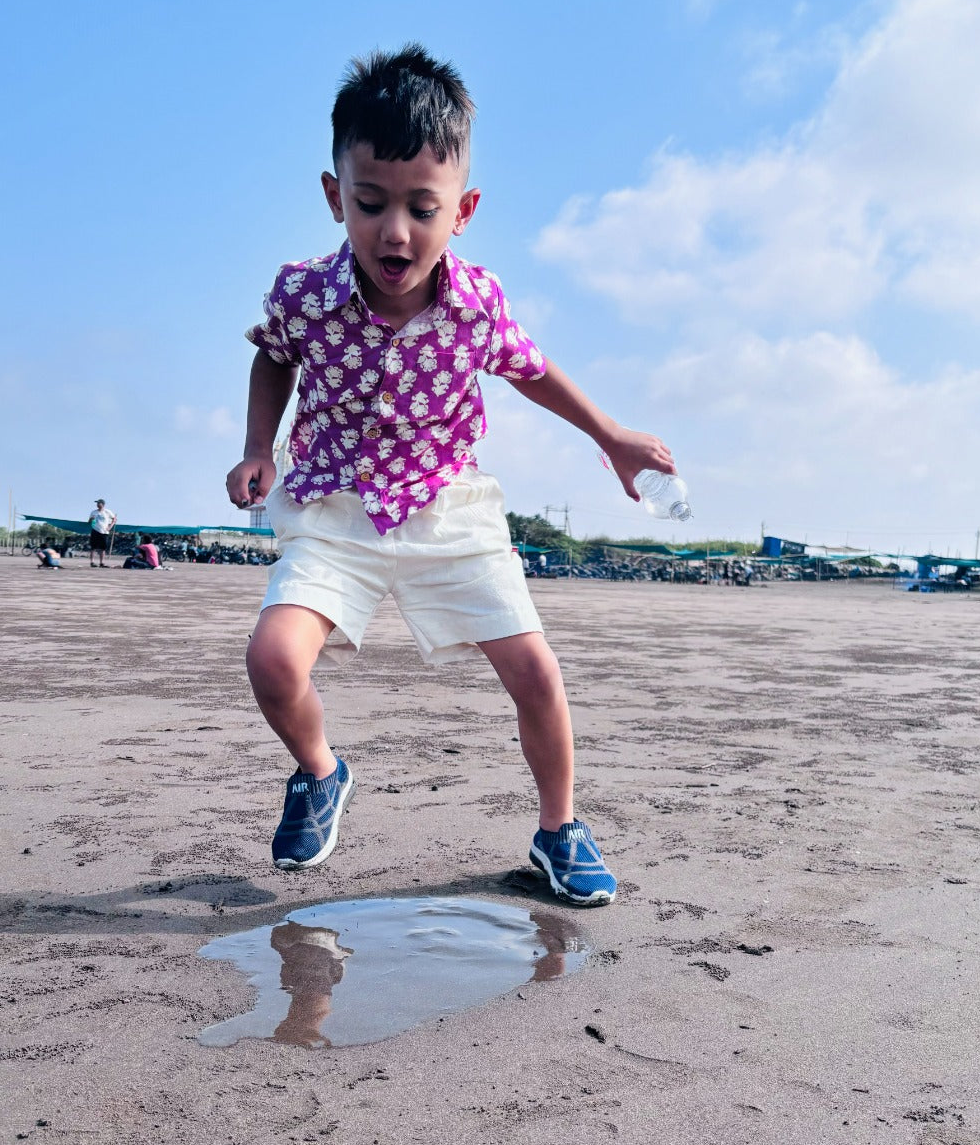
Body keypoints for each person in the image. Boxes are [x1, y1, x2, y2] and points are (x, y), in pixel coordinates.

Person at [226, 45, 675, 905]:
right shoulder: (301, 294)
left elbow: (532, 370)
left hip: (446, 505)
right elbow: (274, 361)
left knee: (537, 674)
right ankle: (320, 773)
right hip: (334, 506)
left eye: (421, 208)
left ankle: (558, 830)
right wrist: (260, 447)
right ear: (335, 198)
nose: (396, 231)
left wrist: (610, 435)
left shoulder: (477, 303)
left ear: (462, 210)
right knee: (273, 662)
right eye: (371, 204)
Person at [88, 499, 116, 567]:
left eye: (98, 503)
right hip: (95, 530)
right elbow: (89, 522)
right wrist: (91, 519)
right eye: (97, 503)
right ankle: (92, 562)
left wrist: (110, 527)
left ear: (102, 504)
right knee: (93, 547)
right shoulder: (94, 512)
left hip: (104, 531)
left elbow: (114, 519)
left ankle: (101, 562)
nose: (97, 504)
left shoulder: (107, 512)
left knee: (103, 548)